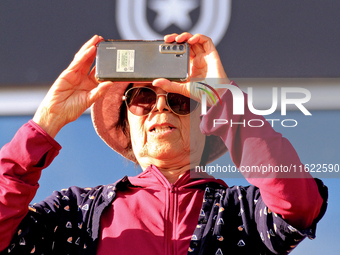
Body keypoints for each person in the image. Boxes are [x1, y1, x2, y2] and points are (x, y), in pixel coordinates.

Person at [0, 33, 327, 255]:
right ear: (126, 124)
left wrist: (224, 99)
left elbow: (298, 203)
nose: (160, 107)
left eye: (180, 99)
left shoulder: (244, 211)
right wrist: (45, 122)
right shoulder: (75, 213)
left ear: (208, 124)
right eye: (142, 98)